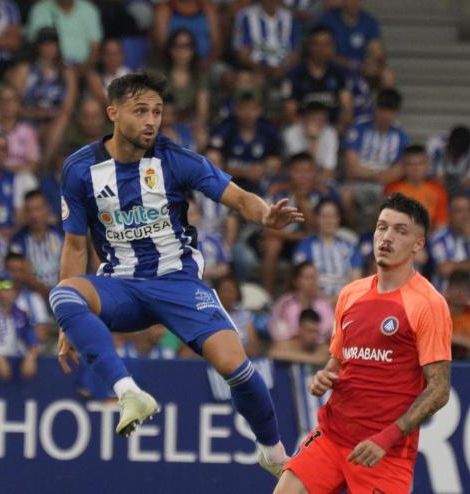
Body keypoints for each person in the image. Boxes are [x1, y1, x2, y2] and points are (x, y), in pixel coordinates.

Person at [48, 72, 302, 475]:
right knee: (62, 294)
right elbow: (76, 246)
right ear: (113, 114)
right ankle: (129, 392)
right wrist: (67, 325)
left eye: (158, 112)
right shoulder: (80, 169)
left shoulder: (174, 159)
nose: (152, 121)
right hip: (121, 287)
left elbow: (236, 196)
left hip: (179, 284)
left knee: (236, 366)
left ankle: (272, 451)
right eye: (141, 111)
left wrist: (266, 214)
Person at [274, 193, 452, 494]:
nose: (387, 237)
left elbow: (439, 389)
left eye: (400, 230)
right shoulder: (351, 294)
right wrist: (324, 376)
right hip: (331, 436)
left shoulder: (428, 303)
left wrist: (387, 437)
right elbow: (339, 361)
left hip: (384, 452)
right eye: (382, 227)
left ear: (418, 245)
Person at [260, 153, 336, 295]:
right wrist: (299, 237)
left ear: (315, 173)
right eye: (298, 171)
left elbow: (317, 229)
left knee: (314, 243)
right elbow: (268, 228)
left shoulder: (322, 193)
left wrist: (302, 200)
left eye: (308, 171)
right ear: (290, 172)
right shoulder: (277, 191)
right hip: (285, 239)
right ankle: (267, 296)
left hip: (309, 240)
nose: (303, 176)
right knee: (272, 244)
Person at [9, 27, 78, 168]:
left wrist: (50, 115)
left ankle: (43, 167)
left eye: (53, 44)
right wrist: (35, 113)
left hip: (56, 120)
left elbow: (68, 107)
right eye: (45, 44)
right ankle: (43, 168)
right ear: (38, 46)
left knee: (61, 121)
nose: (50, 48)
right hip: (28, 119)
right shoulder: (24, 70)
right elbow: (13, 105)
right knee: (36, 130)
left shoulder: (67, 72)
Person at [341, 88, 408, 228]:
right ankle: (355, 234)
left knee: (393, 200)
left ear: (396, 112)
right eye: (382, 110)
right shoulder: (359, 128)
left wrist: (369, 173)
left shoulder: (401, 135)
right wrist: (379, 175)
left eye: (390, 111)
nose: (385, 115)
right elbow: (351, 169)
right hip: (357, 184)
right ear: (375, 108)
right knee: (345, 196)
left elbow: (400, 170)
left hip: (384, 186)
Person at [208, 89, 282, 194]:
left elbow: (278, 163)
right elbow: (211, 163)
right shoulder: (224, 129)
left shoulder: (268, 131)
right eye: (243, 108)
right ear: (236, 109)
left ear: (260, 110)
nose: (248, 114)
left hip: (261, 188)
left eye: (253, 108)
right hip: (227, 189)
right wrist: (244, 172)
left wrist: (264, 168)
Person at [281, 25, 352, 129]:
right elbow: (289, 113)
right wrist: (311, 132)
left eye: (326, 45)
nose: (321, 49)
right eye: (317, 44)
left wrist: (337, 130)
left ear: (332, 47)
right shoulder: (294, 74)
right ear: (310, 46)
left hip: (332, 130)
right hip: (302, 130)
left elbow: (347, 109)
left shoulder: (340, 73)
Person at [292, 200, 362, 299]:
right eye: (324, 216)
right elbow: (302, 280)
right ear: (317, 218)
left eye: (333, 216)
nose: (328, 221)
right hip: (314, 301)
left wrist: (340, 299)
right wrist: (325, 301)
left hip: (345, 300)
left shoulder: (350, 247)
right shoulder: (305, 246)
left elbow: (356, 280)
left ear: (339, 219)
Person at [161, 28, 210, 149]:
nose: (181, 51)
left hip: (189, 122)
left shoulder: (199, 75)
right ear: (170, 50)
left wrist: (198, 125)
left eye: (186, 46)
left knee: (201, 137)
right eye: (177, 46)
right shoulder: (160, 76)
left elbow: (202, 112)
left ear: (193, 50)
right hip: (165, 122)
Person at [0, 85, 41, 172]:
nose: (7, 104)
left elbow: (34, 164)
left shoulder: (28, 132)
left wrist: (10, 173)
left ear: (18, 104)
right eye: (3, 100)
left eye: (12, 100)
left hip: (19, 178)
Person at [232, 0, 300, 82]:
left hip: (283, 72)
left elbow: (294, 54)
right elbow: (241, 53)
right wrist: (261, 69)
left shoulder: (290, 18)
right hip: (254, 71)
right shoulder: (245, 16)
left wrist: (282, 69)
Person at [385, 144, 449, 230]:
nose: (416, 169)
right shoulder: (392, 189)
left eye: (420, 164)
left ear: (427, 165)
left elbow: (441, 223)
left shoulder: (438, 190)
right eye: (410, 164)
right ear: (403, 165)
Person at [268, 261, 334, 344]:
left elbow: (331, 331)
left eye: (315, 278)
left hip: (318, 349)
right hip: (291, 349)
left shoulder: (324, 303)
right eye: (308, 278)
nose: (313, 282)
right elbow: (278, 334)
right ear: (296, 281)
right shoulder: (285, 304)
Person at [26, 0, 103, 70]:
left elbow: (95, 48)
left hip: (84, 69)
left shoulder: (88, 9)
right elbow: (33, 46)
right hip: (49, 69)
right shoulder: (39, 10)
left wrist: (84, 69)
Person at [9, 190, 63, 289]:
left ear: (47, 209)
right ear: (24, 213)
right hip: (32, 296)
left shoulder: (60, 236)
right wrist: (47, 294)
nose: (34, 215)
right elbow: (21, 276)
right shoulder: (18, 242)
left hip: (61, 291)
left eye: (38, 209)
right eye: (29, 210)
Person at [152, 0, 222, 70]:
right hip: (173, 66)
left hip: (205, 65)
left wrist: (207, 63)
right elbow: (162, 46)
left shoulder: (207, 8)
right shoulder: (164, 9)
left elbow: (216, 44)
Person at [282, 101, 339, 179]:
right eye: (313, 119)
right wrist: (313, 141)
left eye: (322, 120)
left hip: (319, 179)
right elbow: (301, 170)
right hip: (293, 178)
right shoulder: (291, 133)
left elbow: (329, 171)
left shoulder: (330, 133)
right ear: (303, 119)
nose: (318, 123)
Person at [317, 0, 381, 69]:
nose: (354, 3)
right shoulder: (328, 20)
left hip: (359, 72)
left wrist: (372, 63)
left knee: (386, 75)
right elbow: (322, 51)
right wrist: (351, 64)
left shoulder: (369, 22)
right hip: (331, 70)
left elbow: (376, 51)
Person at [427, 125, 470, 197]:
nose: (456, 159)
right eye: (454, 153)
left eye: (460, 155)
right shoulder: (435, 145)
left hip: (462, 180)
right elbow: (436, 179)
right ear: (449, 145)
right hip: (441, 180)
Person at [213, 276, 261, 357]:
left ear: (237, 294)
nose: (228, 295)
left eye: (231, 291)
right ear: (216, 293)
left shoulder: (246, 315)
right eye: (225, 290)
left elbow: (254, 346)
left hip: (243, 359)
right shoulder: (208, 314)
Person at [85, 37, 131, 109]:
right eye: (109, 54)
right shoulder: (94, 76)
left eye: (116, 53)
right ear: (101, 56)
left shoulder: (129, 74)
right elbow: (104, 101)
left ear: (122, 55)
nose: (113, 58)